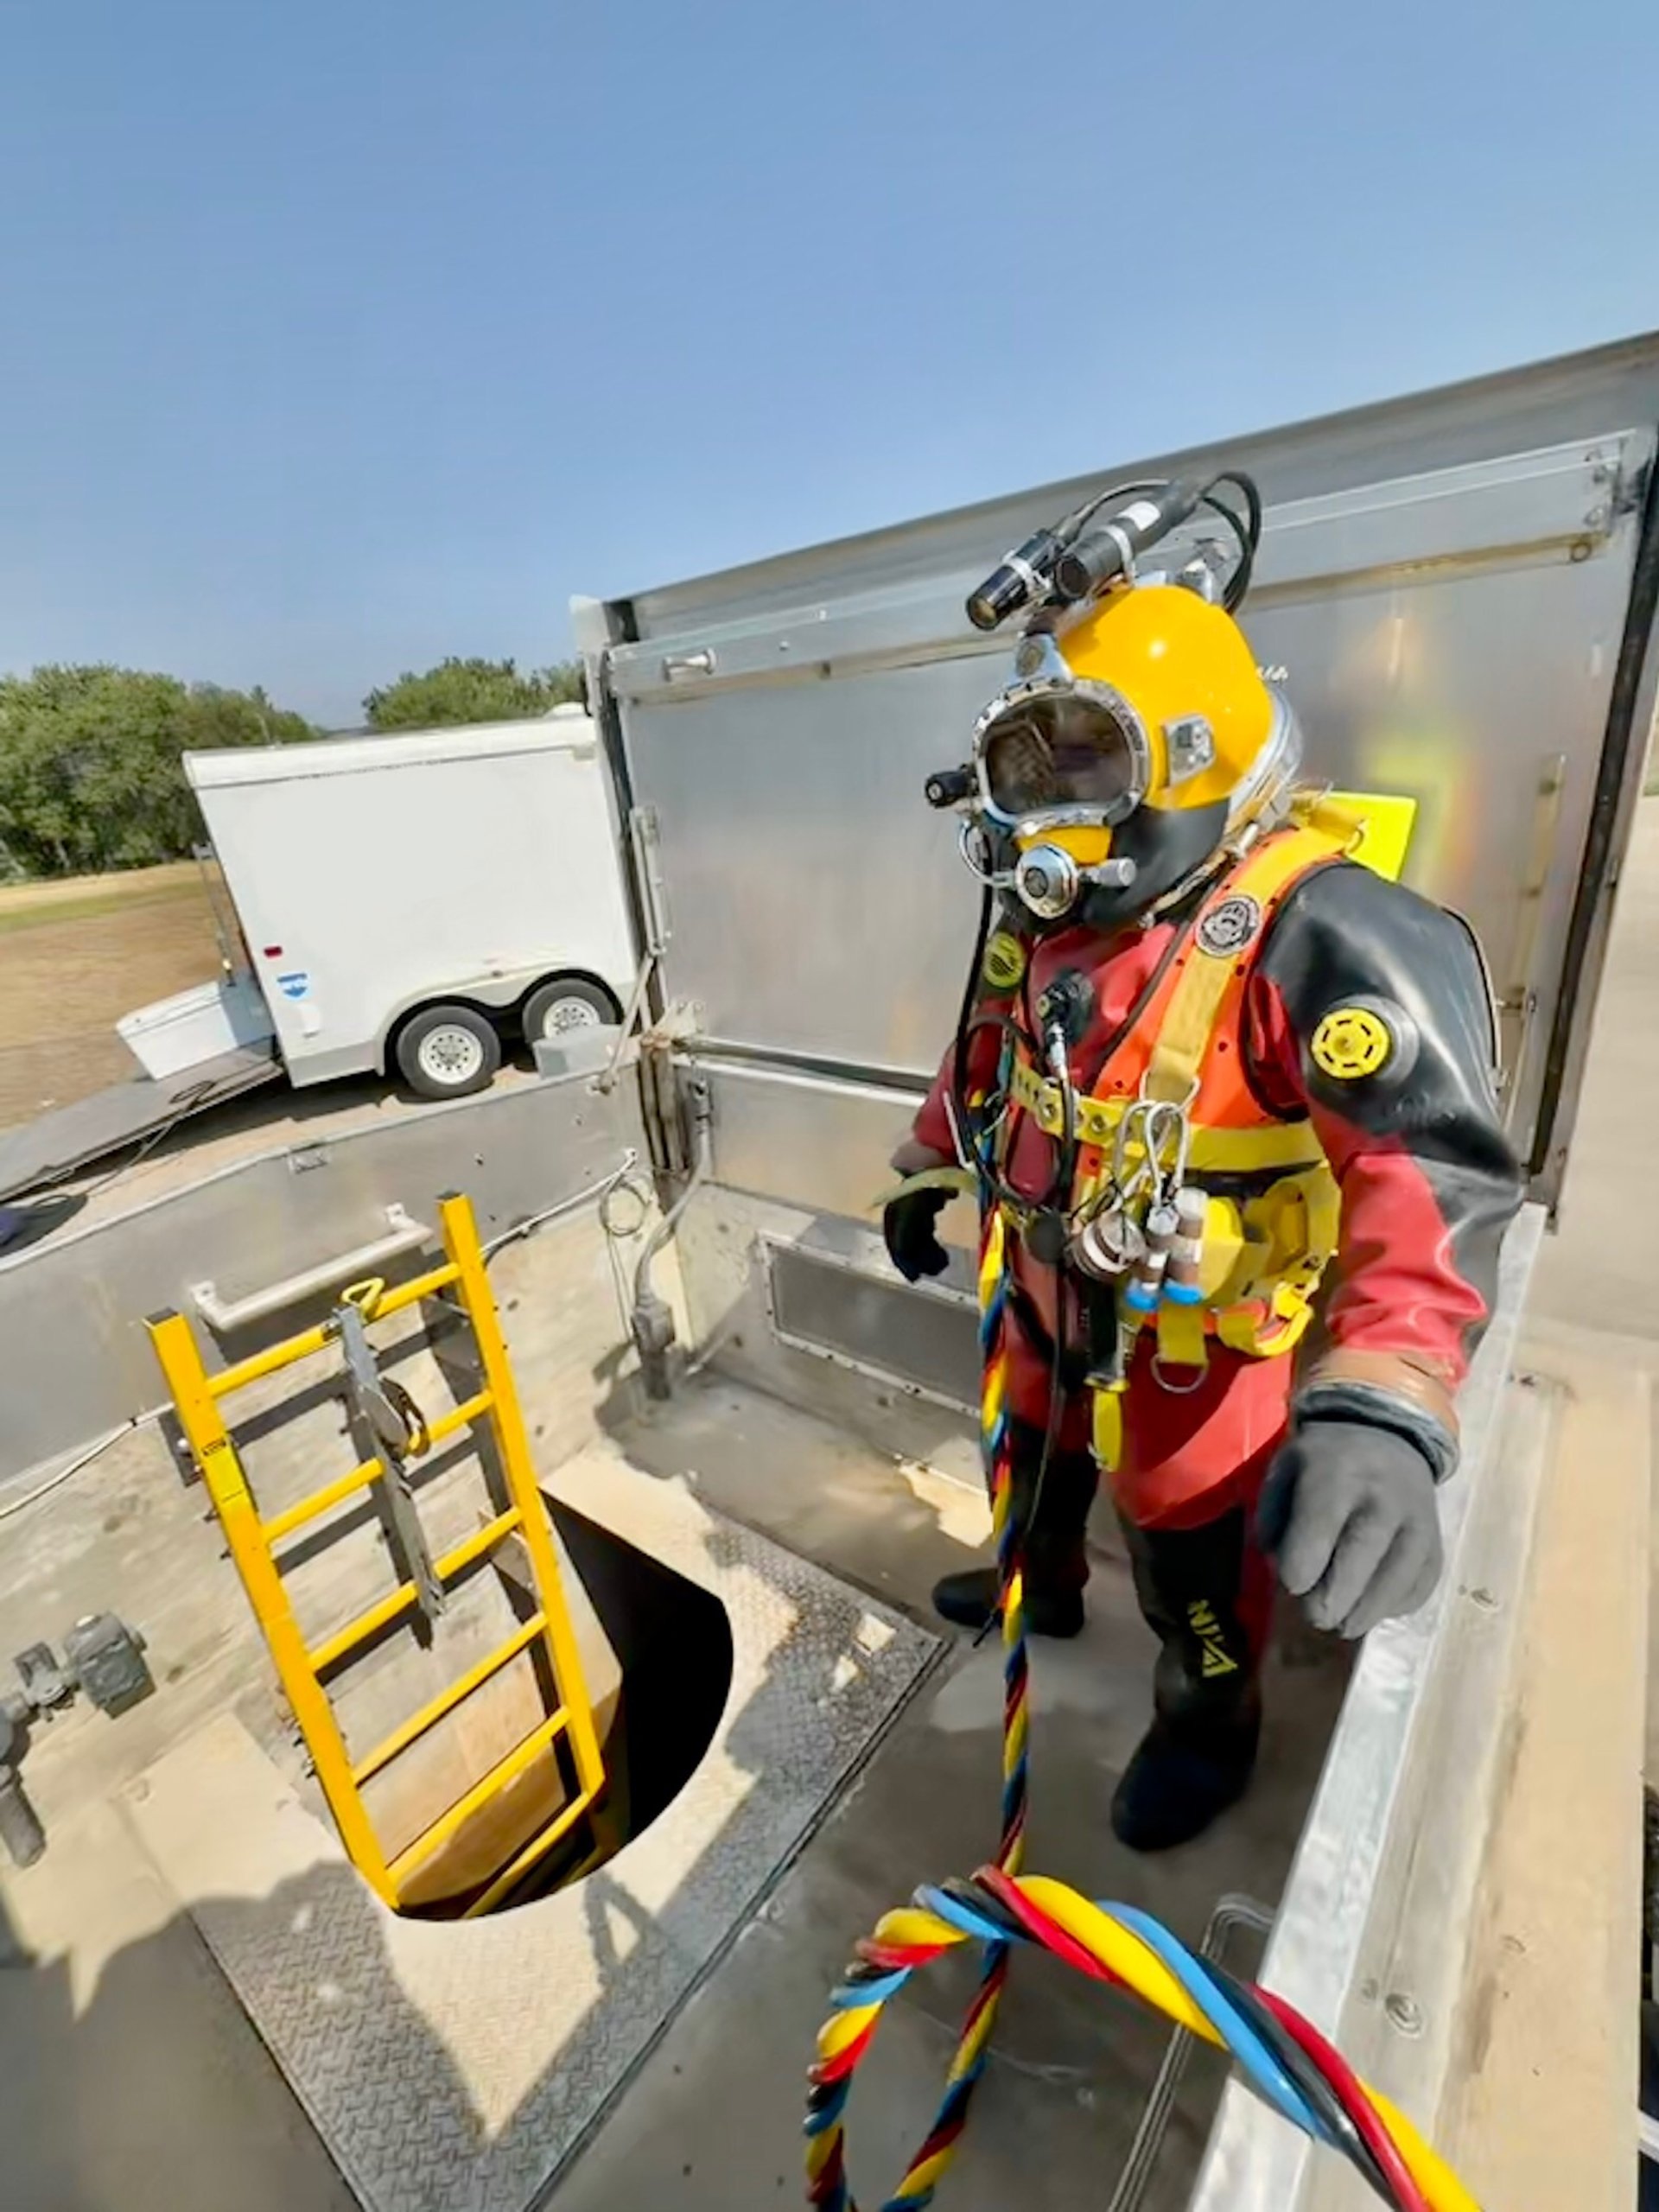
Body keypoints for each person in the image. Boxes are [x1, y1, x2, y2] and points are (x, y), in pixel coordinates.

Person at [884, 569, 1522, 1853]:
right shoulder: (1044, 917)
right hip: (1042, 1289)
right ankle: (1041, 1588)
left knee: (1190, 1567)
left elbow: (1433, 1173)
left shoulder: (1323, 931)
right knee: (1027, 1457)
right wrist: (927, 1161)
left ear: (1191, 763)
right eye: (1031, 771)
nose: (1054, 816)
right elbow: (991, 1048)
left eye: (1089, 767)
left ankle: (1204, 1724)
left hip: (1196, 1349)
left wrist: (1389, 1401)